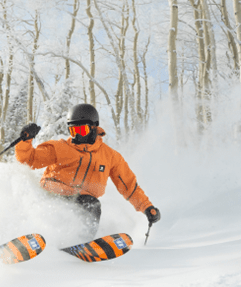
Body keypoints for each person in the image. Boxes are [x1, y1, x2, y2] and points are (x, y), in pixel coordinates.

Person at [15, 103, 160, 240]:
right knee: (56, 205)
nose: (77, 135)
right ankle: (30, 233)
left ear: (93, 128)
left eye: (81, 130)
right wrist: (25, 140)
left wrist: (146, 207)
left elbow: (128, 184)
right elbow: (30, 159)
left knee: (92, 204)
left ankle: (80, 242)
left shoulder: (110, 156)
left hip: (82, 200)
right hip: (52, 194)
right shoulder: (59, 148)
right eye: (73, 130)